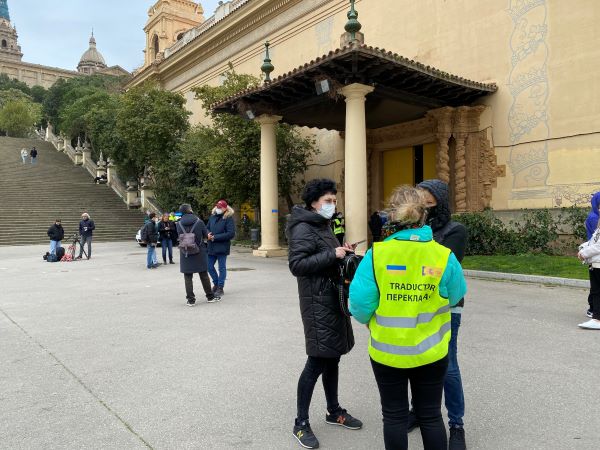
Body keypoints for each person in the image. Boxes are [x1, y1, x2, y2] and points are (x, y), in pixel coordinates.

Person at [349, 185, 466, 450]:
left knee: (394, 416)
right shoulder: (442, 255)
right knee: (431, 416)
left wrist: (370, 321)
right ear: (424, 215)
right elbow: (457, 293)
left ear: (392, 216)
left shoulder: (376, 255)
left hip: (387, 352)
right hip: (432, 352)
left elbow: (359, 303)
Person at [287, 178, 362, 450]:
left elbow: (328, 256)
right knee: (316, 362)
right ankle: (301, 423)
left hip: (332, 299)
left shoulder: (322, 224)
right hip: (317, 302)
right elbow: (297, 265)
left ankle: (334, 411)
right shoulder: (304, 227)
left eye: (334, 200)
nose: (332, 204)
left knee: (333, 359)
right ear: (314, 202)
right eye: (328, 201)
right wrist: (333, 253)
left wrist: (343, 253)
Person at [416, 179, 468, 450]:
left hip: (448, 307)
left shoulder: (454, 230)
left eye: (426, 197)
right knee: (418, 360)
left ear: (438, 199)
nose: (421, 201)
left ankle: (456, 424)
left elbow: (447, 271)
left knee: (448, 366)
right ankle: (419, 411)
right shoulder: (416, 229)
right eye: (418, 197)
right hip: (417, 304)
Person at [177, 203, 220, 306]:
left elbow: (178, 237)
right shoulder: (198, 222)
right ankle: (210, 297)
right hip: (199, 251)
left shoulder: (178, 224)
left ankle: (191, 300)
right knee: (203, 275)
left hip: (185, 252)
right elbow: (207, 236)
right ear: (190, 210)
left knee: (187, 276)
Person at [206, 199, 235, 297]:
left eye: (220, 207)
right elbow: (207, 228)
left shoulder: (228, 218)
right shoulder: (212, 217)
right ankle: (216, 283)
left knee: (221, 268)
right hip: (211, 246)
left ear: (225, 208)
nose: (218, 208)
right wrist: (207, 234)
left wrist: (216, 237)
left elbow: (231, 233)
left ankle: (220, 287)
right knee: (209, 266)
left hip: (222, 247)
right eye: (217, 206)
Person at [578, 221, 600, 329]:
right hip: (595, 264)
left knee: (597, 292)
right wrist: (583, 247)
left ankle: (597, 319)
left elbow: (598, 246)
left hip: (599, 264)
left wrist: (584, 253)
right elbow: (593, 243)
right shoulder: (598, 229)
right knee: (596, 291)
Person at [584, 192, 600, 318]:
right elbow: (596, 242)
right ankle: (593, 309)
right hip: (595, 255)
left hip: (594, 253)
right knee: (596, 287)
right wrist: (584, 253)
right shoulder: (594, 218)